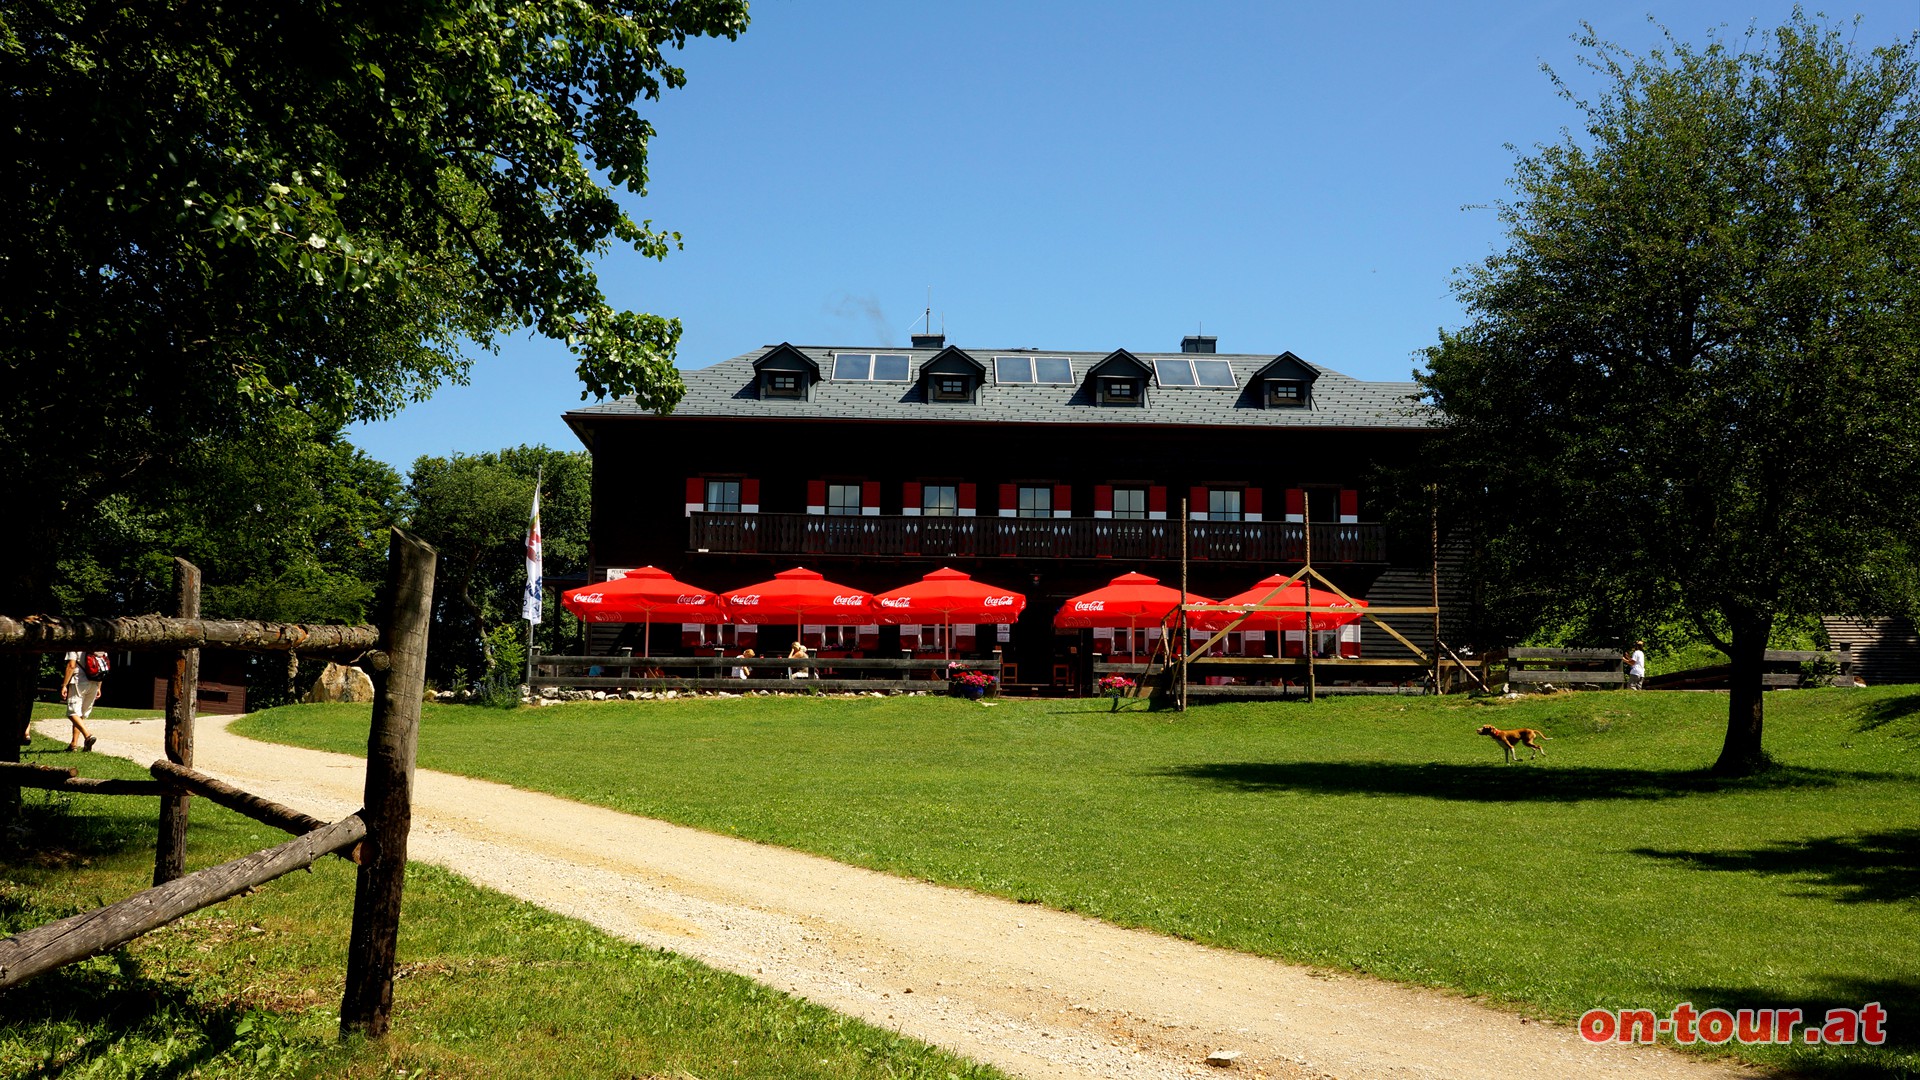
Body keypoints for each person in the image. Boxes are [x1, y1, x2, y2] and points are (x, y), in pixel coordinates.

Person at [60, 650, 105, 751]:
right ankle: (73, 744)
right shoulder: (99, 645)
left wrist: (64, 685)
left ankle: (88, 736)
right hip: (94, 682)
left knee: (72, 713)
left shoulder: (76, 645)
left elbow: (71, 665)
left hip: (79, 681)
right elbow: (102, 667)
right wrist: (99, 687)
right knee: (80, 715)